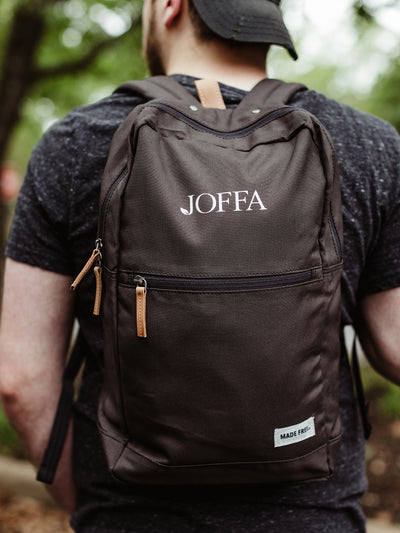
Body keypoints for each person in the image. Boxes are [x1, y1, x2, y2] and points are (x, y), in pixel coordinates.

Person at [0, 0, 399, 531]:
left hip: (127, 513)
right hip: (314, 515)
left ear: (170, 6)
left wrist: (88, 497)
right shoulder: (370, 145)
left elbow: (20, 379)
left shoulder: (75, 143)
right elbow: (395, 347)